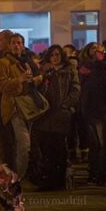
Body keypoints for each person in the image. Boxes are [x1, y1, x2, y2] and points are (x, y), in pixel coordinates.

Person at [0, 33, 43, 178]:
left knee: (26, 144)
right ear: (9, 45)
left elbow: (35, 79)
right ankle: (17, 177)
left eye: (19, 43)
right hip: (14, 107)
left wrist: (36, 80)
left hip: (30, 107)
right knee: (23, 144)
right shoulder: (3, 63)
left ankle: (23, 174)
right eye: (14, 42)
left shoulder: (26, 61)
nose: (16, 45)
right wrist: (18, 80)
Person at [31, 45, 80, 190]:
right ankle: (47, 180)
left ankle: (59, 180)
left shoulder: (70, 70)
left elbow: (75, 89)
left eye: (58, 54)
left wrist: (66, 105)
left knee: (59, 148)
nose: (55, 57)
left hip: (61, 114)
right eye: (52, 55)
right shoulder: (44, 71)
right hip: (45, 114)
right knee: (46, 148)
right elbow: (37, 89)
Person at [79, 42, 106, 185]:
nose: (97, 51)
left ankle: (96, 173)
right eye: (94, 49)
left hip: (96, 110)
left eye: (99, 49)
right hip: (96, 111)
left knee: (99, 144)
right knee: (101, 144)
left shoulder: (100, 70)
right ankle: (98, 173)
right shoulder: (89, 68)